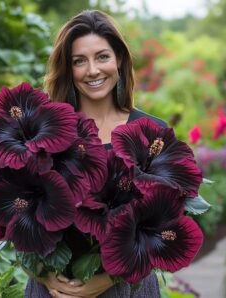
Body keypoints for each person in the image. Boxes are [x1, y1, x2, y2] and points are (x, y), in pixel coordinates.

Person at [25, 9, 166, 298]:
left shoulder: (152, 133)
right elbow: (15, 222)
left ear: (119, 60)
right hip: (51, 289)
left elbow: (165, 226)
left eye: (102, 56)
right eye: (79, 61)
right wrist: (45, 276)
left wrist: (108, 280)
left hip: (127, 288)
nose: (92, 70)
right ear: (68, 69)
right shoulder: (46, 132)